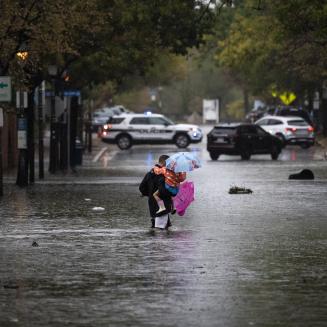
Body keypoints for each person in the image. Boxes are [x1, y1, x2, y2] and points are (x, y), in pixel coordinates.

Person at [139, 155, 173, 228]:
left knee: (155, 227)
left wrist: (149, 194)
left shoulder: (149, 173)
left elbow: (142, 188)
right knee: (161, 232)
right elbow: (163, 191)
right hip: (163, 205)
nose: (170, 165)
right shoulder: (166, 175)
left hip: (152, 204)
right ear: (164, 162)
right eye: (169, 163)